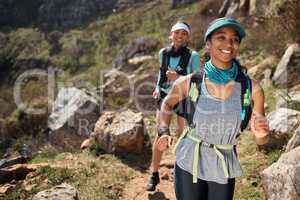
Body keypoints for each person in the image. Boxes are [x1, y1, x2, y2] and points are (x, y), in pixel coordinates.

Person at [156, 18, 270, 200]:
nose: (228, 44)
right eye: (221, 37)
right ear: (208, 44)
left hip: (224, 163)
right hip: (189, 159)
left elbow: (262, 140)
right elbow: (167, 104)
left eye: (234, 39)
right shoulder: (190, 81)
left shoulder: (252, 88)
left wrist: (262, 134)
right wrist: (163, 130)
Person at [146, 21, 200, 191]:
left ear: (188, 38)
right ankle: (154, 174)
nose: (180, 36)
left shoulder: (193, 56)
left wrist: (178, 77)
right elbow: (161, 74)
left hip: (183, 99)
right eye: (177, 33)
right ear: (171, 35)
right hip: (164, 97)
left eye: (184, 34)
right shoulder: (164, 53)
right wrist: (156, 88)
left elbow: (195, 80)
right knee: (160, 135)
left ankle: (182, 173)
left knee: (183, 136)